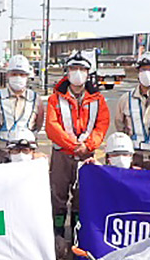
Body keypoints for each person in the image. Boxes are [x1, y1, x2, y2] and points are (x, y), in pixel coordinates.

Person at [45, 50, 110, 238]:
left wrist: (88, 146)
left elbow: (102, 125)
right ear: (67, 71)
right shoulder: (55, 98)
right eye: (74, 68)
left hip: (86, 155)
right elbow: (51, 126)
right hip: (62, 154)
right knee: (58, 195)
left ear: (88, 73)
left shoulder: (98, 99)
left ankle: (76, 233)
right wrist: (73, 145)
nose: (78, 72)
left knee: (82, 196)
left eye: (82, 69)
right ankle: (57, 233)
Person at [0, 54, 45, 164]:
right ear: (8, 75)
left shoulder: (35, 99)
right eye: (14, 74)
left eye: (22, 74)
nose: (18, 77)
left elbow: (38, 124)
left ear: (27, 76)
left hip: (26, 154)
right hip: (1, 152)